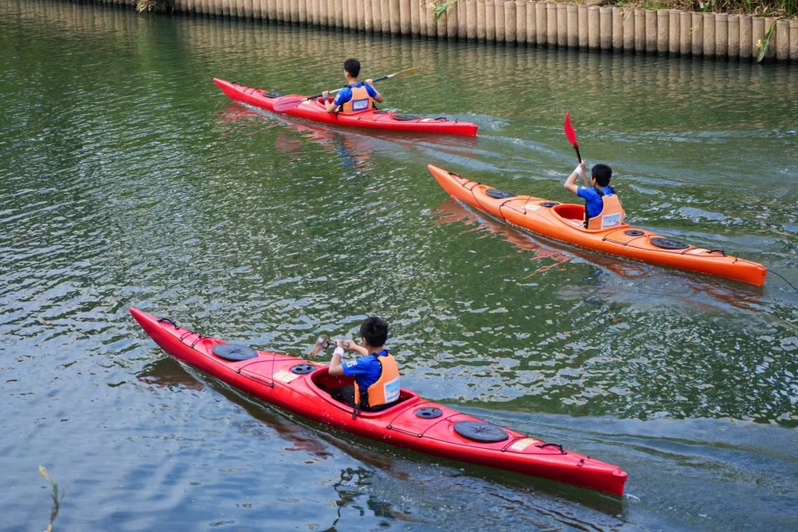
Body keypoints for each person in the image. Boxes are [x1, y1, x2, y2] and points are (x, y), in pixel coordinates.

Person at [324, 316, 400, 410]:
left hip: (369, 409)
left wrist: (339, 349)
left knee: (344, 390)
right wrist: (355, 347)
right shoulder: (388, 356)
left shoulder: (364, 363)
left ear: (365, 341)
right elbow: (373, 357)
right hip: (389, 405)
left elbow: (332, 370)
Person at [563, 160, 626, 230]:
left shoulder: (591, 193)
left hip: (595, 231)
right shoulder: (612, 191)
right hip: (612, 227)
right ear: (609, 180)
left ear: (594, 180)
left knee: (571, 221)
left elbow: (567, 185)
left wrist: (579, 168)